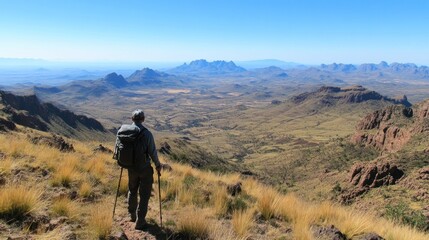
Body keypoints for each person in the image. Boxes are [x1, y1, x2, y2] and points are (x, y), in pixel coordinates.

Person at [127, 109, 162, 230]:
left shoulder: (125, 131)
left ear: (132, 119)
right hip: (144, 168)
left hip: (130, 167)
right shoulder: (147, 134)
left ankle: (132, 215)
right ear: (143, 119)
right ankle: (140, 221)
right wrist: (158, 165)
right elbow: (152, 152)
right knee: (144, 194)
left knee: (132, 190)